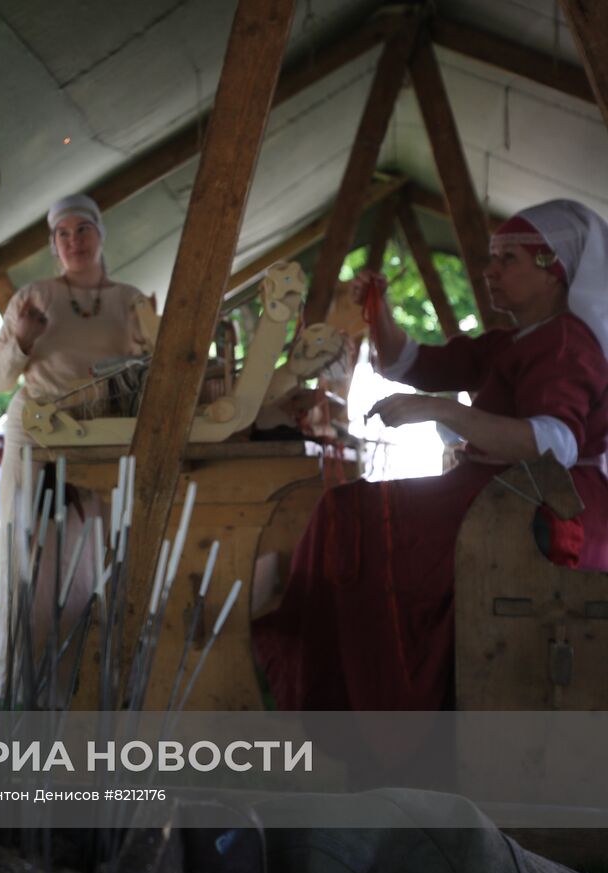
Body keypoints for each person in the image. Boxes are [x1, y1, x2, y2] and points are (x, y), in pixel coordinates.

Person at [251, 199, 608, 711]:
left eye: (508, 259)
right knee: (346, 515)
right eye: (492, 257)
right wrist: (380, 313)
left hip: (550, 513)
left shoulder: (567, 343)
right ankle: (353, 686)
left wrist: (443, 413)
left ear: (555, 269)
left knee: (349, 520)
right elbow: (412, 362)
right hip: (503, 501)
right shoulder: (516, 341)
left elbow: (554, 444)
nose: (490, 272)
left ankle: (357, 694)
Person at [0, 194, 159, 701]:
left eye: (82, 230)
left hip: (105, 439)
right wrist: (21, 338)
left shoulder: (132, 301)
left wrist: (151, 345)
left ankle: (95, 682)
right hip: (36, 437)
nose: (74, 241)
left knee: (102, 555)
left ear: (101, 235)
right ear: (54, 245)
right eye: (63, 234)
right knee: (33, 558)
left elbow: (155, 374)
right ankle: (28, 686)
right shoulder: (34, 296)